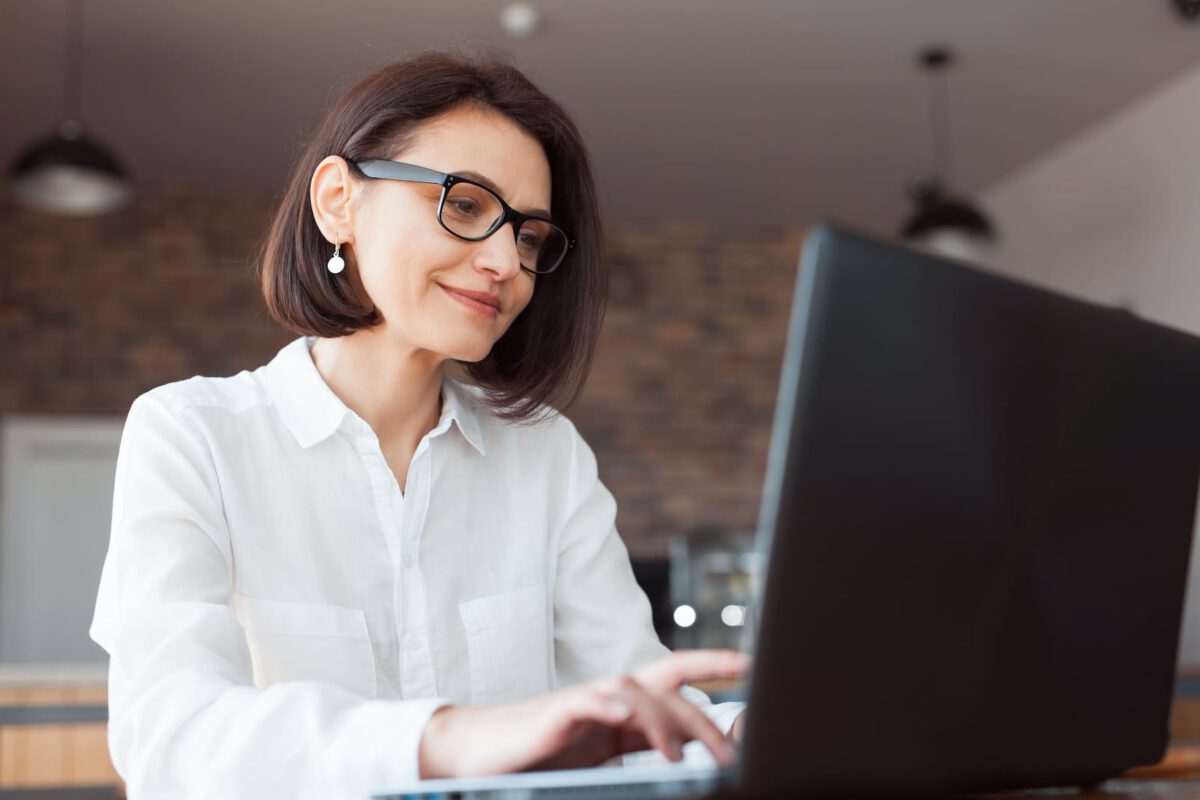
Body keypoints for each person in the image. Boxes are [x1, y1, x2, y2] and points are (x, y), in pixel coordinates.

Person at [89, 51, 748, 800]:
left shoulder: (546, 457)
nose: (507, 262)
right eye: (465, 205)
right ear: (338, 201)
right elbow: (171, 737)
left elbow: (640, 703)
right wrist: (451, 737)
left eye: (530, 238)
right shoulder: (193, 436)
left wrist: (747, 732)